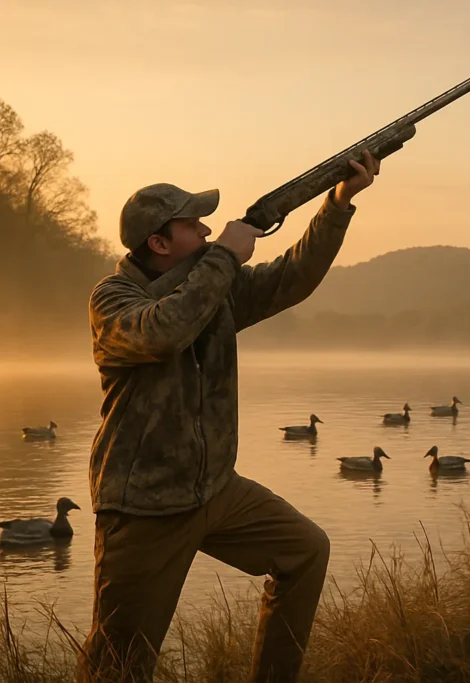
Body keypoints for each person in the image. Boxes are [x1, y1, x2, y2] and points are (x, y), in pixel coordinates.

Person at [78, 150, 381, 682]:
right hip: (145, 507)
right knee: (117, 666)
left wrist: (338, 202)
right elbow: (164, 331)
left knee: (305, 553)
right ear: (159, 243)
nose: (208, 230)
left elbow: (294, 278)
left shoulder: (214, 288)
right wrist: (224, 258)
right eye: (193, 225)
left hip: (217, 490)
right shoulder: (113, 299)